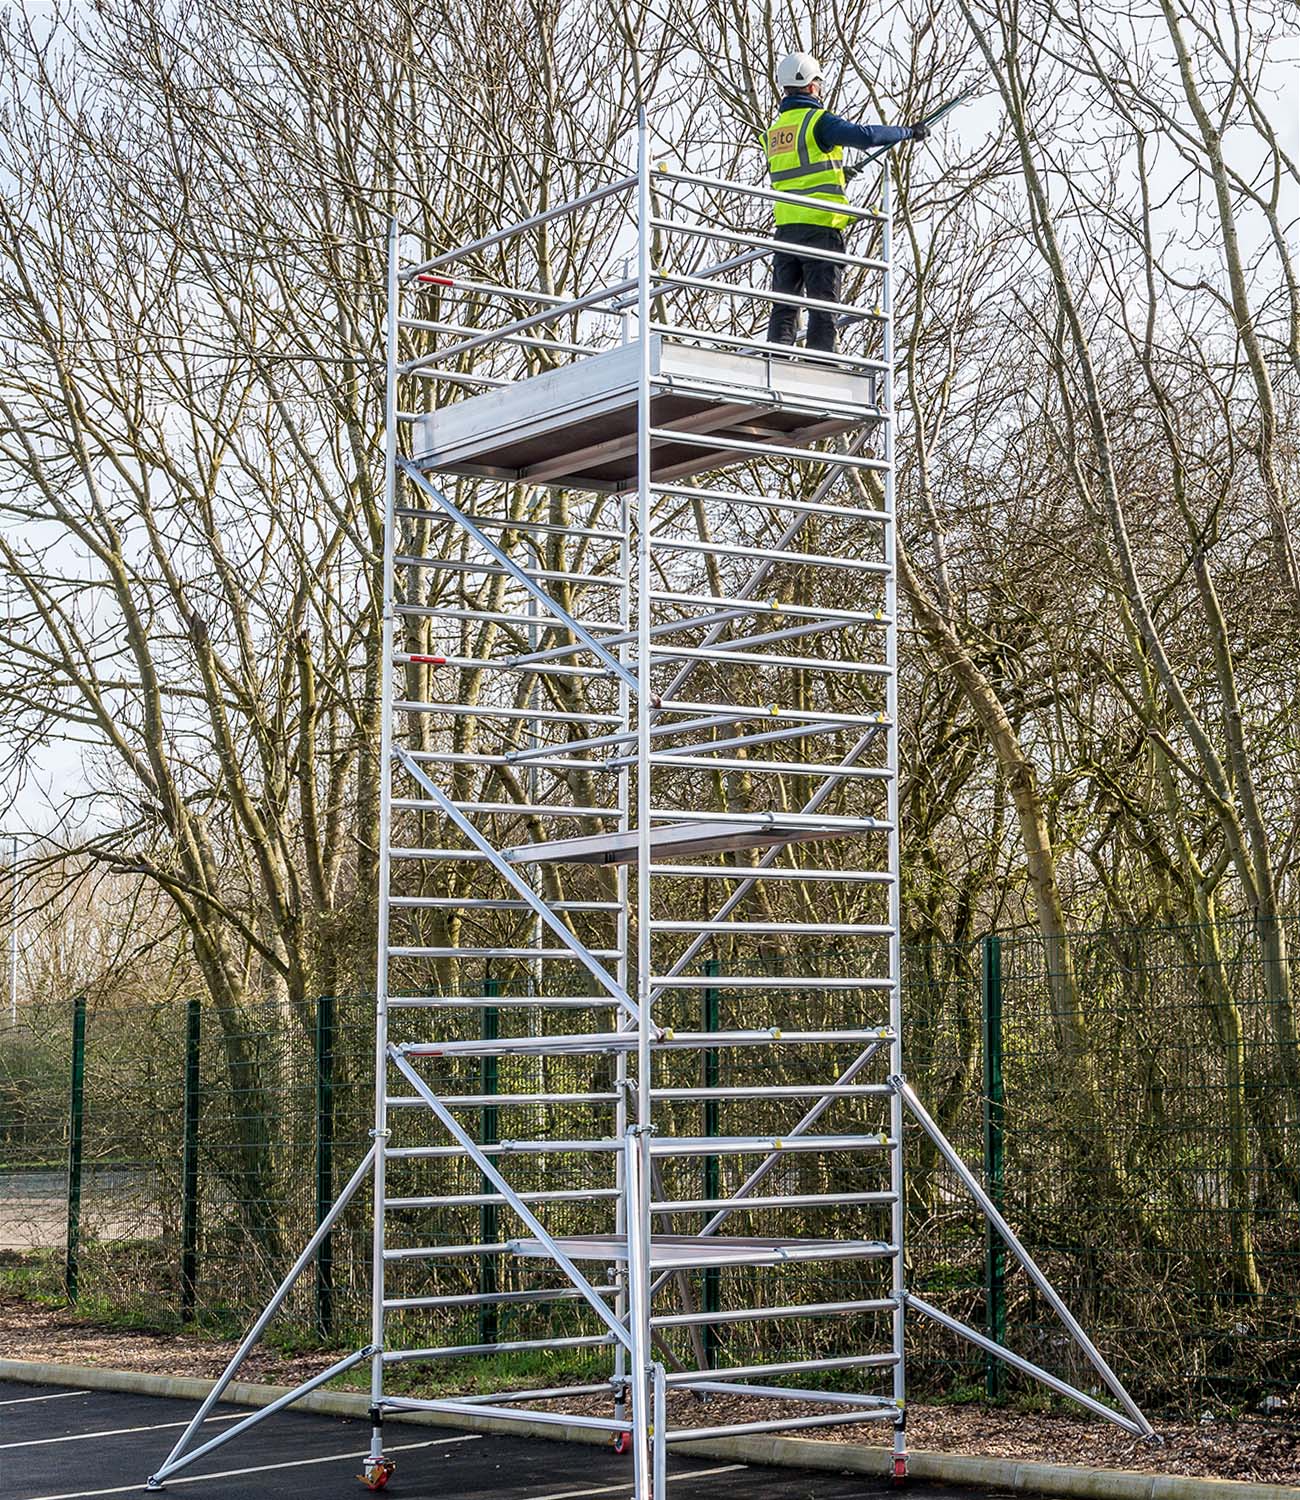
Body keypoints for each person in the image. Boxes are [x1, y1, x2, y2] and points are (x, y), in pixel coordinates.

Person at [764, 52, 927, 353]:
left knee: (785, 305)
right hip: (821, 228)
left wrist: (840, 174)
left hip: (786, 229)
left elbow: (798, 172)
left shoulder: (774, 132)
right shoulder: (818, 121)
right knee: (822, 304)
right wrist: (908, 132)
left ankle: (776, 358)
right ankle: (823, 364)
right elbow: (865, 136)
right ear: (812, 87)